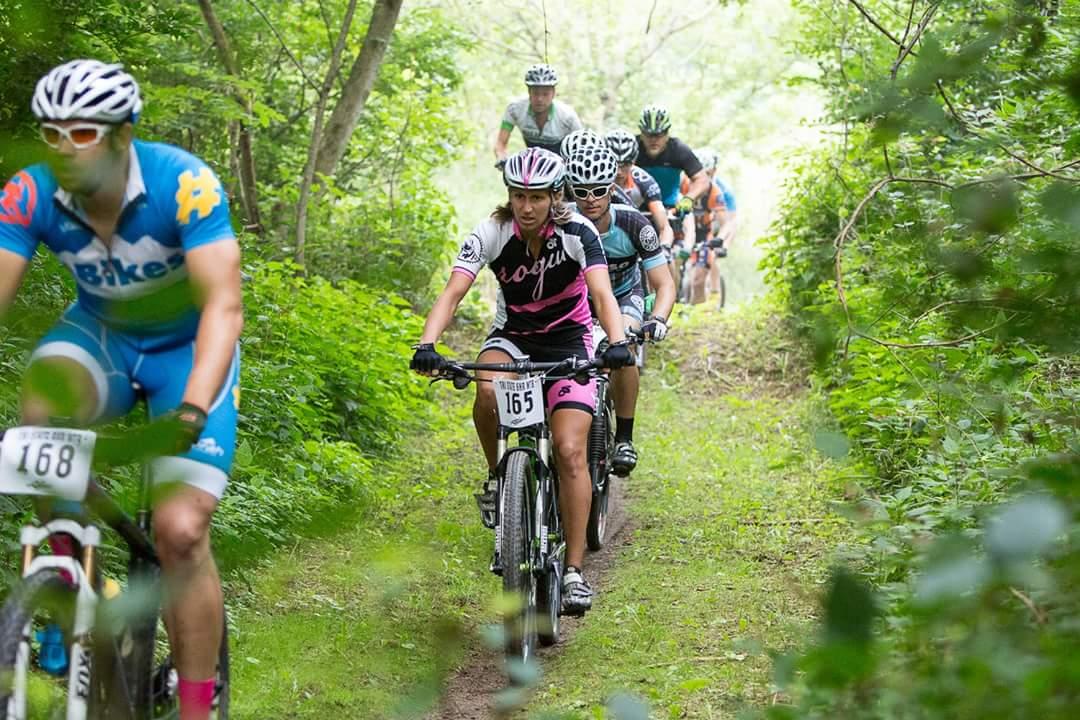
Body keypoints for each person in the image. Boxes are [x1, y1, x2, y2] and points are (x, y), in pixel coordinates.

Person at [0, 60, 241, 720]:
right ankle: (63, 595)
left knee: (181, 530)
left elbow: (223, 307)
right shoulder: (30, 192)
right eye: (51, 134)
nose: (65, 150)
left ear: (122, 135)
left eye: (83, 133)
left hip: (186, 350)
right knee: (40, 415)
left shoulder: (184, 184)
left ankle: (197, 705)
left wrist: (194, 403)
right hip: (99, 338)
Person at [410, 148, 633, 616]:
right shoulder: (492, 232)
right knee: (486, 385)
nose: (526, 206)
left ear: (555, 196)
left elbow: (601, 292)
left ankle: (573, 571)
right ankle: (499, 478)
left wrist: (615, 343)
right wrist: (427, 344)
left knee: (571, 451)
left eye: (536, 196)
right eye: (517, 196)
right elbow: (453, 292)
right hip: (513, 340)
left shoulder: (578, 232)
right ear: (508, 197)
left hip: (570, 342)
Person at [564, 145, 675, 473]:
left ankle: (624, 437)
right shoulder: (561, 220)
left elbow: (665, 284)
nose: (590, 199)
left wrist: (657, 319)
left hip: (626, 295)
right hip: (579, 300)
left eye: (598, 190)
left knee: (623, 345)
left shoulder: (635, 224)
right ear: (571, 189)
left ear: (612, 186)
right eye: (581, 191)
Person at [494, 63, 583, 162]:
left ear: (553, 93)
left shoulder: (567, 116)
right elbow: (500, 143)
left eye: (545, 94)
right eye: (536, 93)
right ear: (529, 92)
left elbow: (581, 149)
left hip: (561, 162)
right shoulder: (514, 110)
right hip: (533, 163)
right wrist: (501, 157)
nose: (540, 99)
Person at [605, 128, 674, 250]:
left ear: (633, 161)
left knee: (667, 258)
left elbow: (664, 227)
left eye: (625, 165)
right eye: (614, 164)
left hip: (635, 233)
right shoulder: (596, 178)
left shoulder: (644, 181)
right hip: (605, 233)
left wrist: (665, 246)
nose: (619, 172)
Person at [635, 105, 710, 209]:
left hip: (670, 209)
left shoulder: (678, 149)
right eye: (648, 135)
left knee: (687, 223)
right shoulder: (632, 147)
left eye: (659, 135)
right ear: (641, 133)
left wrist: (688, 199)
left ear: (667, 134)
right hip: (635, 208)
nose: (653, 140)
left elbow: (702, 180)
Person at [680, 149, 727, 304]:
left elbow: (724, 223)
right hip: (682, 231)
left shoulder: (715, 192)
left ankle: (697, 314)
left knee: (698, 281)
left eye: (709, 175)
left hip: (703, 234)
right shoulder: (683, 185)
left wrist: (719, 239)